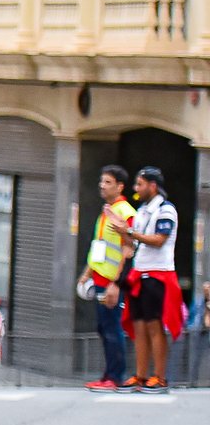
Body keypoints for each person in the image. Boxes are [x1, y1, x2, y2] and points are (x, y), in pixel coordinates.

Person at [119, 166, 183, 393]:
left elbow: (159, 239)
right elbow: (133, 244)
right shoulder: (142, 210)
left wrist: (131, 233)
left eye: (140, 184)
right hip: (139, 271)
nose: (136, 189)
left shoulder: (166, 210)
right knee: (138, 325)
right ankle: (140, 374)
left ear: (152, 186)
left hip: (158, 273)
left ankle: (160, 376)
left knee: (154, 325)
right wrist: (124, 234)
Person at [82, 165, 138, 391]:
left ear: (120, 186)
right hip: (99, 278)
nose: (102, 186)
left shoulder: (125, 212)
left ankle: (115, 378)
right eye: (101, 181)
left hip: (111, 281)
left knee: (112, 328)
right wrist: (87, 272)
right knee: (104, 327)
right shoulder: (107, 210)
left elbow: (129, 248)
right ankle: (108, 375)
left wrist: (116, 283)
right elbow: (100, 245)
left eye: (107, 182)